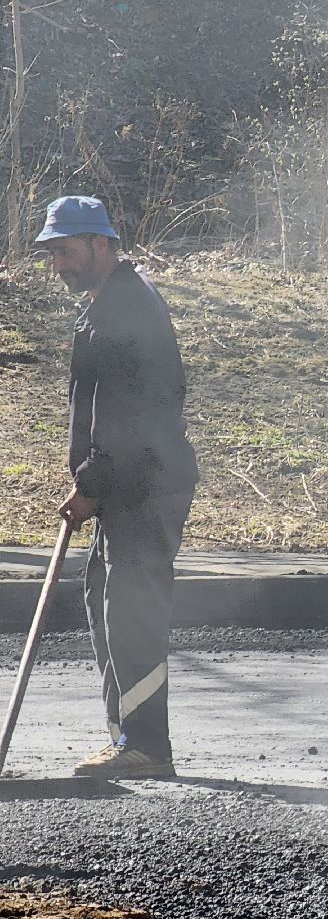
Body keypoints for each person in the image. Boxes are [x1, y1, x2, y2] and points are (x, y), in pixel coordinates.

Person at [36, 196, 199, 779]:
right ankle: (127, 737)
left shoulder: (127, 309)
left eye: (66, 250)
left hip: (143, 485)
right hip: (125, 485)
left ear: (101, 244)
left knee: (130, 612)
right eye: (52, 253)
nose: (58, 264)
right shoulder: (108, 302)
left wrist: (92, 482)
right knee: (107, 604)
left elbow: (130, 417)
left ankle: (147, 748)